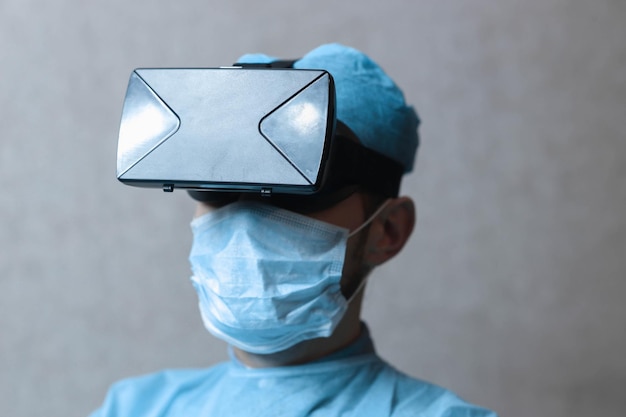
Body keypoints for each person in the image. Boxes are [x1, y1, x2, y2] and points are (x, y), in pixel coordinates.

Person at [91, 43, 497, 416]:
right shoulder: (134, 408)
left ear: (387, 230)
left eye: (295, 190)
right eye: (216, 185)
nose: (245, 223)